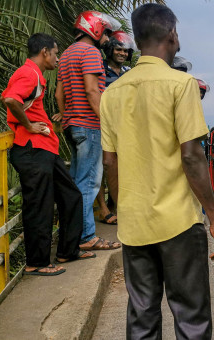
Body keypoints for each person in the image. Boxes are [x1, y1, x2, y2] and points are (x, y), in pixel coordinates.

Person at [99, 4, 214, 338]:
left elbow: (110, 162)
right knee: (191, 317)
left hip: (134, 225)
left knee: (142, 316)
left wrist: (121, 210)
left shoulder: (112, 94)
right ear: (172, 35)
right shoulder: (180, 85)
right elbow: (191, 156)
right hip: (178, 223)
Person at [0, 33, 95, 276]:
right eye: (55, 53)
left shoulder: (35, 75)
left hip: (45, 149)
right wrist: (29, 125)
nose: (57, 57)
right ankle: (37, 262)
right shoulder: (28, 73)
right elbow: (10, 99)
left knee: (71, 196)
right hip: (32, 149)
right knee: (40, 205)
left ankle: (68, 250)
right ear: (44, 52)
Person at [55, 10, 121, 251]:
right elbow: (93, 91)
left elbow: (59, 94)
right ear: (94, 29)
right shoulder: (90, 52)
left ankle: (74, 235)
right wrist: (105, 121)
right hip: (90, 125)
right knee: (89, 183)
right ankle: (87, 237)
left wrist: (66, 119)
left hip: (73, 125)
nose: (107, 39)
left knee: (76, 182)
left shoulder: (66, 54)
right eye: (105, 33)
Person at [95, 30, 137, 226]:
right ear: (110, 50)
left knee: (124, 169)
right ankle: (103, 210)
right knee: (102, 168)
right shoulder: (100, 70)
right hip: (102, 124)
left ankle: (118, 207)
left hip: (126, 127)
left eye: (125, 50)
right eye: (118, 49)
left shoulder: (130, 72)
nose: (122, 53)